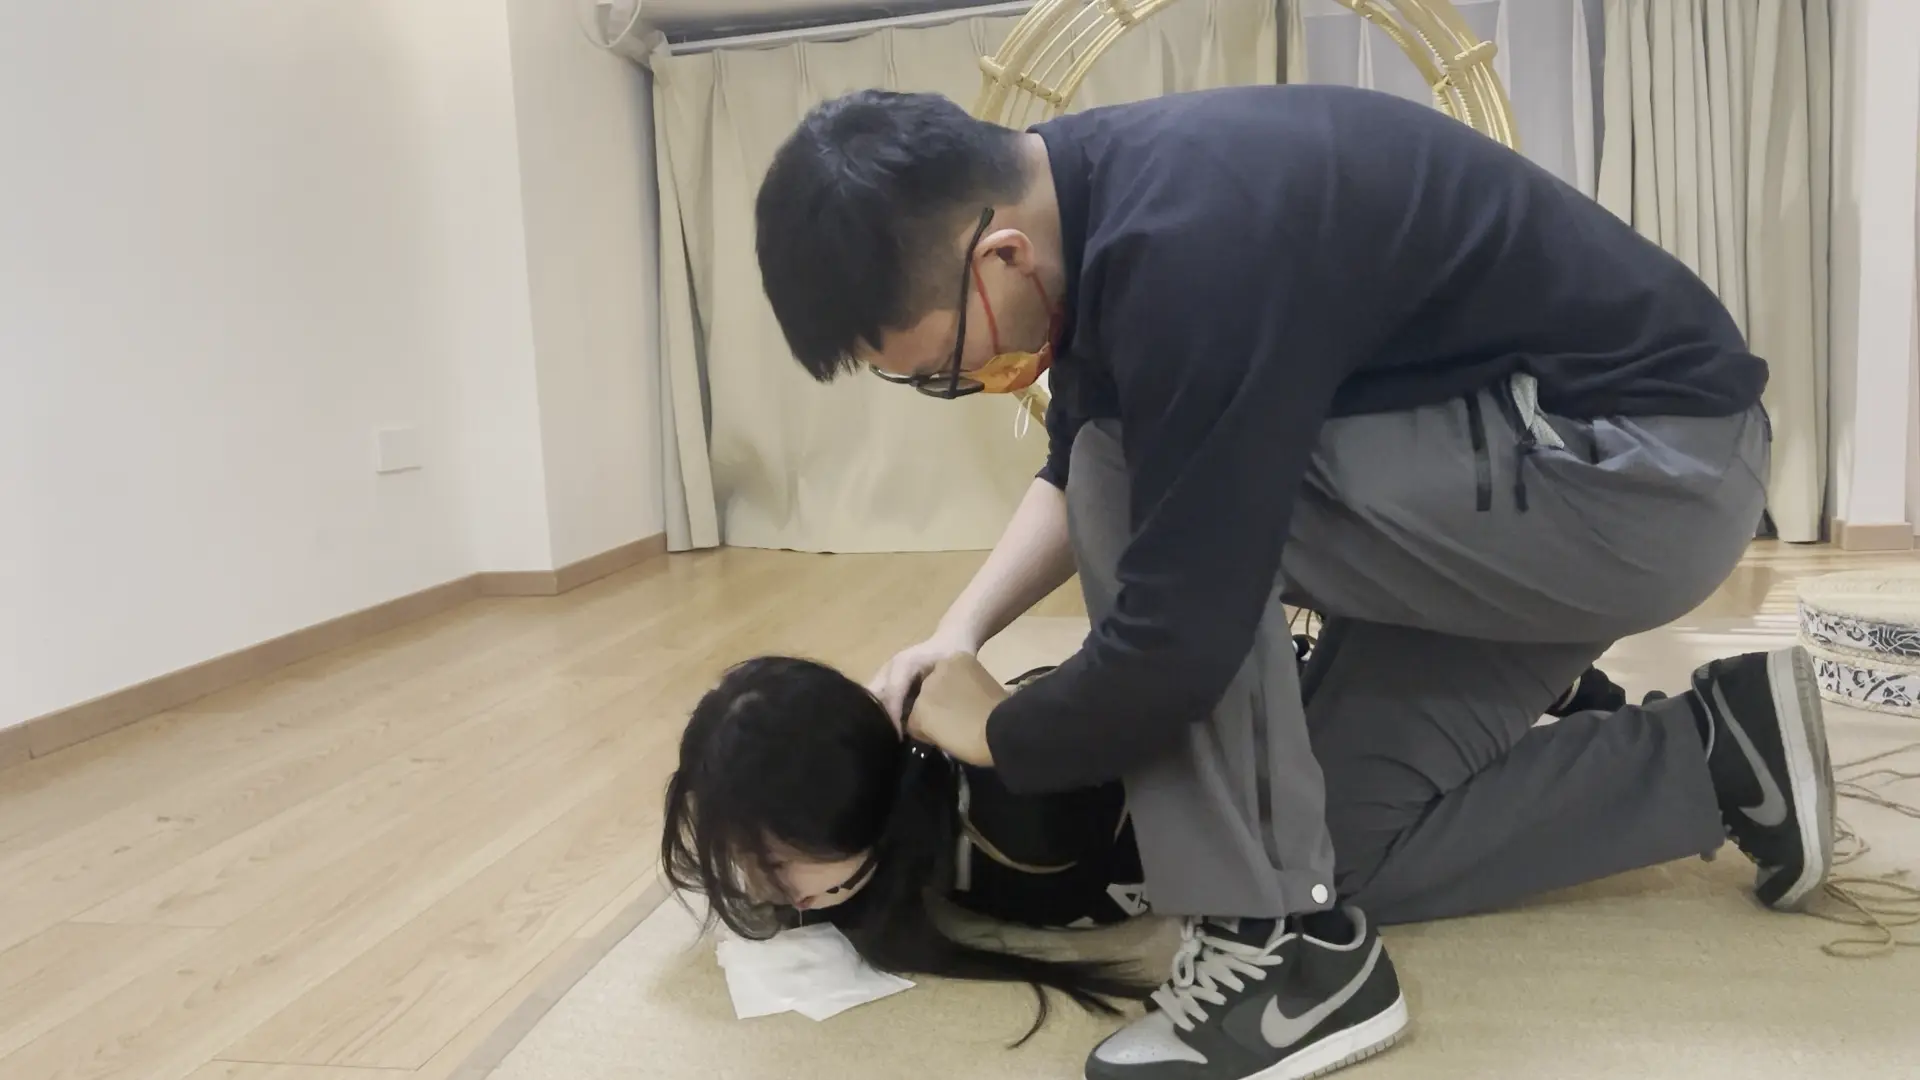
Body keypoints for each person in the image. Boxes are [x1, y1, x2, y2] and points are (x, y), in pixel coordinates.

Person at [752, 83, 1834, 1080]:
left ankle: (1272, 958)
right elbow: (1074, 456)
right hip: (1530, 509)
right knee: (1329, 849)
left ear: (998, 257)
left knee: (1141, 479)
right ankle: (1723, 757)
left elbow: (1175, 645)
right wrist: (959, 635)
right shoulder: (1088, 202)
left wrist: (997, 733)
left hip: (1640, 473)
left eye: (942, 366)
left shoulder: (1187, 248)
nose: (967, 380)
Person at [661, 656, 1154, 1041]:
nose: (756, 889)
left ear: (845, 812)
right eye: (738, 857)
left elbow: (1150, 705)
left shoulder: (1026, 819)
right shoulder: (883, 832)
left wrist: (1006, 732)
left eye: (775, 862)